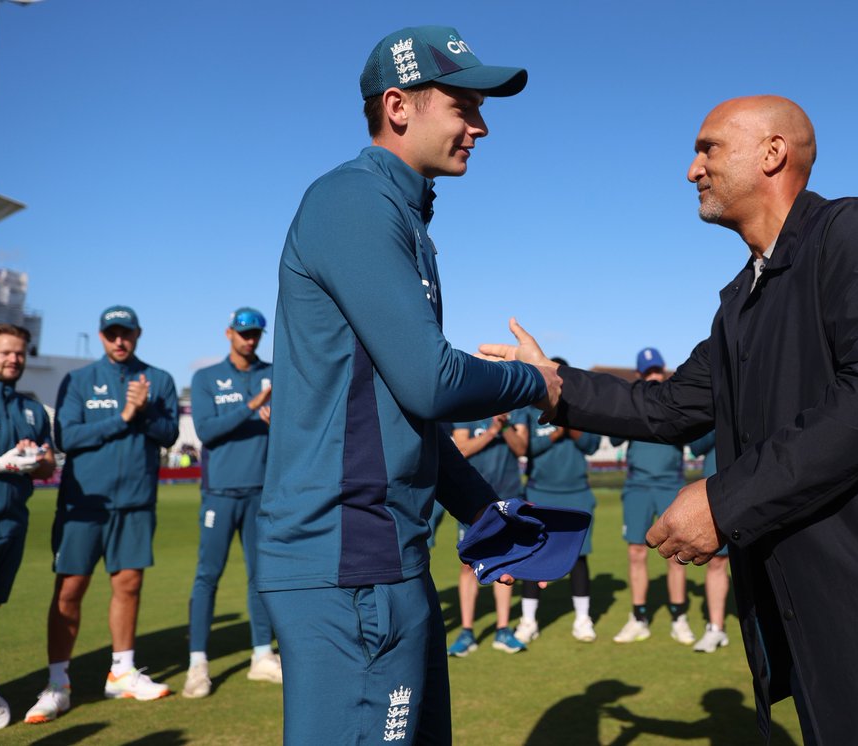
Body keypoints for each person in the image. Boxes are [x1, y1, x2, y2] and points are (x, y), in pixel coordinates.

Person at [482, 95, 858, 744]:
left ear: (772, 153)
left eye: (708, 149)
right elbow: (668, 405)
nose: (691, 169)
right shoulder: (739, 305)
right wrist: (550, 385)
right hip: (835, 653)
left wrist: (723, 502)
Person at [257, 26, 559, 745]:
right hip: (349, 563)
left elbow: (401, 415)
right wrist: (539, 381)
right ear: (399, 105)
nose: (480, 126)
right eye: (464, 106)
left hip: (386, 559)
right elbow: (431, 383)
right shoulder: (354, 201)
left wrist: (486, 515)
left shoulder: (404, 217)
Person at [26, 305, 179, 724]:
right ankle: (58, 683)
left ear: (137, 334)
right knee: (70, 588)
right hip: (83, 503)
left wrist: (145, 410)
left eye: (125, 333)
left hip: (134, 501)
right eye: (112, 333)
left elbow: (169, 434)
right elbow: (67, 438)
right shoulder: (79, 380)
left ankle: (122, 672)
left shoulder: (159, 379)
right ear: (100, 336)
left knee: (128, 585)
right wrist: (124, 416)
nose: (119, 340)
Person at [182, 307, 279, 698]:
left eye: (255, 334)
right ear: (229, 334)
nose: (249, 340)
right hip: (220, 494)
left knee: (261, 578)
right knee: (208, 575)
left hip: (263, 493)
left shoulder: (275, 372)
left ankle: (261, 656)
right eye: (243, 333)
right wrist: (254, 405)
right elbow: (207, 430)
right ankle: (197, 664)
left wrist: (278, 418)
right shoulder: (207, 378)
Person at [0, 324, 56, 730]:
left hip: (13, 525)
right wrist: (1, 464)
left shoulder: (31, 409)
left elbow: (48, 465)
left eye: (19, 353)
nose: (13, 359)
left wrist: (35, 461)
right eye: (4, 352)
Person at [510, 358, 602, 645]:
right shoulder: (528, 408)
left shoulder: (580, 410)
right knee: (533, 556)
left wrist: (564, 418)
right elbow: (528, 450)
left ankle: (583, 619)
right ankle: (528, 621)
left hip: (577, 493)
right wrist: (555, 432)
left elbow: (591, 445)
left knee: (579, 557)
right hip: (539, 494)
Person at [607, 348, 695, 646]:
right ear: (638, 376)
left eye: (656, 371)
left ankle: (678, 618)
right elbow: (614, 436)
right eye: (647, 373)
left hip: (671, 485)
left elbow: (693, 436)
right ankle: (639, 617)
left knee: (676, 555)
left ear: (663, 371)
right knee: (636, 553)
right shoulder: (632, 403)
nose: (653, 377)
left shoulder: (675, 401)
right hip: (638, 487)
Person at [445, 412, 529, 656]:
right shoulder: (468, 408)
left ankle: (503, 630)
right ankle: (467, 631)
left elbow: (521, 447)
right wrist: (492, 430)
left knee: (505, 561)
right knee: (468, 565)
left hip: (509, 497)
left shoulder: (516, 410)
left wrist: (504, 427)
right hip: (471, 500)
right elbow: (461, 449)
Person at [686, 431, 731, 654]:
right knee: (716, 563)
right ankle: (716, 628)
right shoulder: (715, 403)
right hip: (716, 492)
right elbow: (695, 447)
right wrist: (721, 421)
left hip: (756, 485)